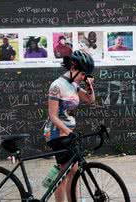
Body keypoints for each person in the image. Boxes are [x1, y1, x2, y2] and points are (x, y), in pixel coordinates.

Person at [43, 50, 95, 202]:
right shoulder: (57, 85)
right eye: (82, 74)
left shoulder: (73, 85)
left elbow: (90, 100)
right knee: (67, 173)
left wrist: (89, 85)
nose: (83, 78)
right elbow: (53, 116)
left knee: (69, 172)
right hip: (56, 133)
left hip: (66, 133)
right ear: (72, 68)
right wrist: (67, 132)